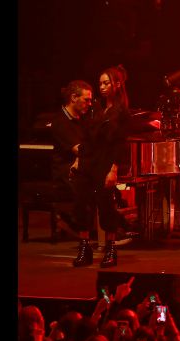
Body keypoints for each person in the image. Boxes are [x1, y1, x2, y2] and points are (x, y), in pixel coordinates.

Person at [71, 65, 132, 267]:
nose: (102, 86)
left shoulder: (121, 111)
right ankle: (84, 246)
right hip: (89, 160)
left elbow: (120, 143)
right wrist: (79, 158)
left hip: (106, 162)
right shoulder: (96, 107)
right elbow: (87, 137)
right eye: (100, 83)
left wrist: (114, 168)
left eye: (106, 83)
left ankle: (111, 248)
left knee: (106, 205)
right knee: (82, 204)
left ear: (116, 84)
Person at [49, 80, 94, 232]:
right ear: (74, 98)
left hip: (80, 166)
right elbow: (79, 149)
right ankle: (82, 227)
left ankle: (108, 227)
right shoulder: (60, 122)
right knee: (91, 187)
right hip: (65, 170)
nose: (89, 104)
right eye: (86, 100)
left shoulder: (83, 119)